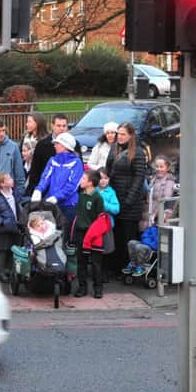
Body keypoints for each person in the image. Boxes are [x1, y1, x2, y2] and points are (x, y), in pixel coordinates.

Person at [105, 122, 148, 273]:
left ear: (131, 135)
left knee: (128, 236)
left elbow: (139, 178)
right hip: (115, 198)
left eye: (123, 134)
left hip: (130, 202)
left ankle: (128, 265)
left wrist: (129, 199)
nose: (120, 137)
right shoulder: (114, 149)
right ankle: (115, 266)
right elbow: (108, 170)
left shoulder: (137, 152)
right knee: (116, 234)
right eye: (119, 134)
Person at [31, 132, 84, 230]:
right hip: (51, 204)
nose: (54, 145)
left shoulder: (76, 162)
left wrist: (57, 197)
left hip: (68, 205)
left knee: (64, 236)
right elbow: (45, 178)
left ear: (65, 146)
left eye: (57, 143)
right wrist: (38, 190)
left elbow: (73, 186)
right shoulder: (53, 160)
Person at [26, 113, 82, 195]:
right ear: (52, 126)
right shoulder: (42, 145)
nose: (62, 129)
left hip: (67, 192)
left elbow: (79, 170)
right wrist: (35, 191)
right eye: (58, 126)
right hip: (45, 191)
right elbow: (35, 171)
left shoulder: (74, 144)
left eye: (64, 126)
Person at [73, 170, 105, 299]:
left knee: (96, 263)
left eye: (83, 179)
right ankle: (82, 287)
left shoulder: (97, 197)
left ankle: (98, 288)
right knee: (81, 261)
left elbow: (100, 219)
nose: (81, 181)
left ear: (90, 183)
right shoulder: (81, 194)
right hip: (80, 233)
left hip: (93, 235)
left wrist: (93, 233)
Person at [0, 172, 21, 283]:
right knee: (3, 250)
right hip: (4, 229)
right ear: (2, 184)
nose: (12, 179)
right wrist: (1, 222)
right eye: (9, 179)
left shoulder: (13, 194)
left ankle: (11, 270)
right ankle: (2, 272)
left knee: (14, 250)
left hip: (15, 227)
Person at [96, 167, 120, 283]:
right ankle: (97, 272)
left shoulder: (111, 192)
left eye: (106, 178)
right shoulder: (93, 190)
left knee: (106, 250)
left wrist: (104, 204)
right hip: (94, 226)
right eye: (100, 178)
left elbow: (116, 209)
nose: (103, 181)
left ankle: (105, 273)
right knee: (96, 250)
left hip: (107, 226)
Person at [147, 155, 177, 227]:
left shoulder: (169, 180)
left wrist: (155, 214)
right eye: (157, 166)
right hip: (150, 212)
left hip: (161, 214)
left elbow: (165, 198)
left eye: (161, 167)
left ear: (167, 168)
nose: (159, 169)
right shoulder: (153, 179)